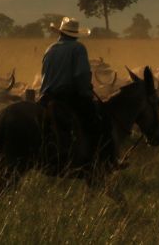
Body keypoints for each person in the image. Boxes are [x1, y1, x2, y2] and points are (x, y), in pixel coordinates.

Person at [38, 16, 115, 167]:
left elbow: (43, 75)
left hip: (46, 97)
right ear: (75, 35)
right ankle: (100, 159)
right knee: (100, 119)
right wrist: (86, 91)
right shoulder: (78, 48)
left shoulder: (50, 49)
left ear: (60, 33)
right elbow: (81, 75)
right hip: (68, 97)